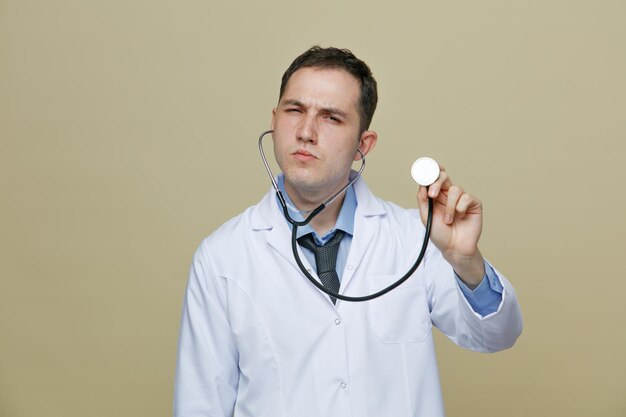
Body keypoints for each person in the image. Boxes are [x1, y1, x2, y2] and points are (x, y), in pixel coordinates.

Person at [174, 46, 523, 417]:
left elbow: (496, 335)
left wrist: (465, 261)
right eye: (295, 110)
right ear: (274, 122)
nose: (306, 132)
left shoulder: (414, 238)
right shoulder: (222, 256)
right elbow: (201, 404)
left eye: (331, 118)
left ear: (363, 145)